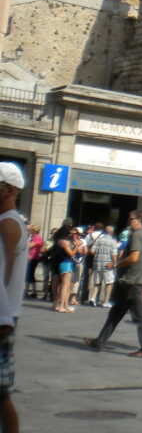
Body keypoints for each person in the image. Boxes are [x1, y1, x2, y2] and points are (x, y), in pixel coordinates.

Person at [84, 210, 142, 357]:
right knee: (115, 313)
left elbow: (134, 258)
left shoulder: (136, 235)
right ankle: (99, 342)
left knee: (140, 316)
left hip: (131, 282)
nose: (128, 220)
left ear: (139, 220)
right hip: (131, 281)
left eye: (131, 218)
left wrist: (116, 264)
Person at [0, 163, 28, 433]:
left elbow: (2, 275)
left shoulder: (8, 223)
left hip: (2, 315)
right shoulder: (10, 221)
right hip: (6, 313)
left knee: (1, 393)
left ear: (8, 190)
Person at [50, 220, 75, 313]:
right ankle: (62, 305)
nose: (71, 235)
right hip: (66, 262)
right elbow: (71, 254)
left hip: (59, 262)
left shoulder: (58, 240)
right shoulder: (64, 242)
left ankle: (60, 304)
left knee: (60, 284)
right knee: (65, 285)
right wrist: (76, 247)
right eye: (70, 233)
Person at [89, 226, 118, 307]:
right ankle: (106, 301)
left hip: (97, 263)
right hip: (108, 264)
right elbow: (114, 255)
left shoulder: (98, 240)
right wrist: (114, 263)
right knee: (108, 283)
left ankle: (93, 298)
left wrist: (98, 255)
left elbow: (92, 251)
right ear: (112, 232)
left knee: (97, 282)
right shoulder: (113, 242)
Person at [24, 225, 42, 299]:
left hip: (33, 257)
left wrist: (26, 236)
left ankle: (32, 292)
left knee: (30, 274)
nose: (30, 231)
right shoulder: (33, 237)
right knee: (29, 274)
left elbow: (29, 245)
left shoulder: (37, 238)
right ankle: (28, 291)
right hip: (31, 257)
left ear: (34, 230)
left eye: (31, 230)